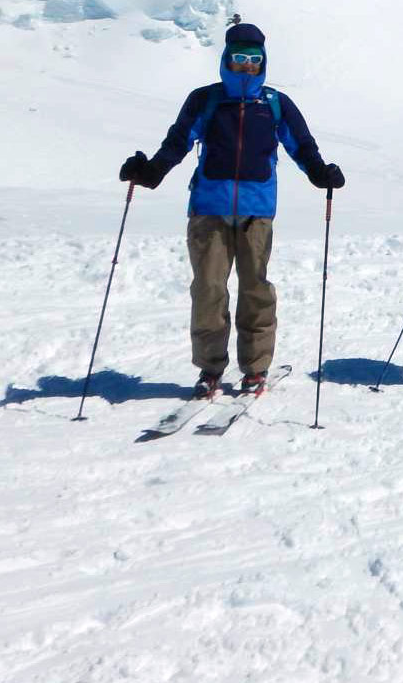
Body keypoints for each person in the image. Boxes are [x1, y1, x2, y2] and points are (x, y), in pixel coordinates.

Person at [119, 21, 344, 399]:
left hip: (257, 212)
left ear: (263, 62)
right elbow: (178, 141)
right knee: (208, 291)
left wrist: (320, 173)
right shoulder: (204, 100)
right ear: (226, 59)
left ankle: (255, 369)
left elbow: (302, 145)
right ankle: (210, 370)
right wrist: (151, 172)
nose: (246, 65)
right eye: (239, 58)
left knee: (255, 290)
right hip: (208, 209)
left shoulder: (275, 104)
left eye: (253, 59)